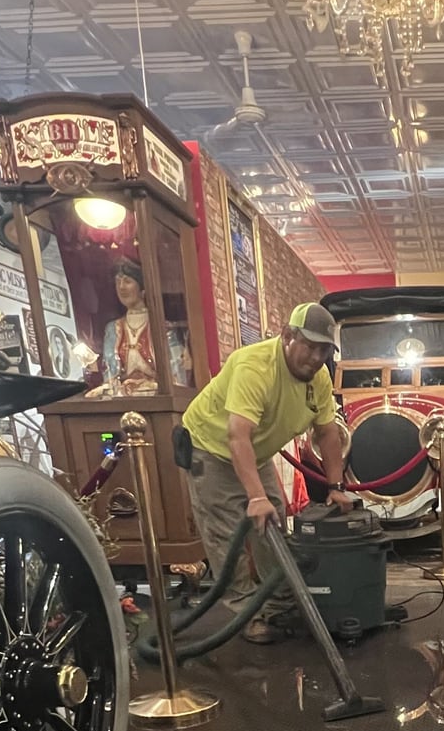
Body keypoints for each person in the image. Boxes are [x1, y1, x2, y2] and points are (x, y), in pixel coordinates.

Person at [181, 302, 352, 643]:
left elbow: (328, 433)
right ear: (288, 335)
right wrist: (255, 496)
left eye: (324, 349)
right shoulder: (254, 366)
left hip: (255, 453)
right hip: (210, 449)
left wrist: (335, 485)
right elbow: (237, 435)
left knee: (272, 525)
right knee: (228, 534)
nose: (317, 357)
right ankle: (246, 614)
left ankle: (279, 604)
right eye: (310, 346)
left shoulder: (318, 376)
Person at [101, 259, 188, 396]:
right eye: (118, 282)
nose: (121, 287)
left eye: (127, 281)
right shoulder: (113, 328)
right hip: (123, 398)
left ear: (142, 288)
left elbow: (177, 376)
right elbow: (110, 373)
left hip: (156, 397)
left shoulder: (164, 328)